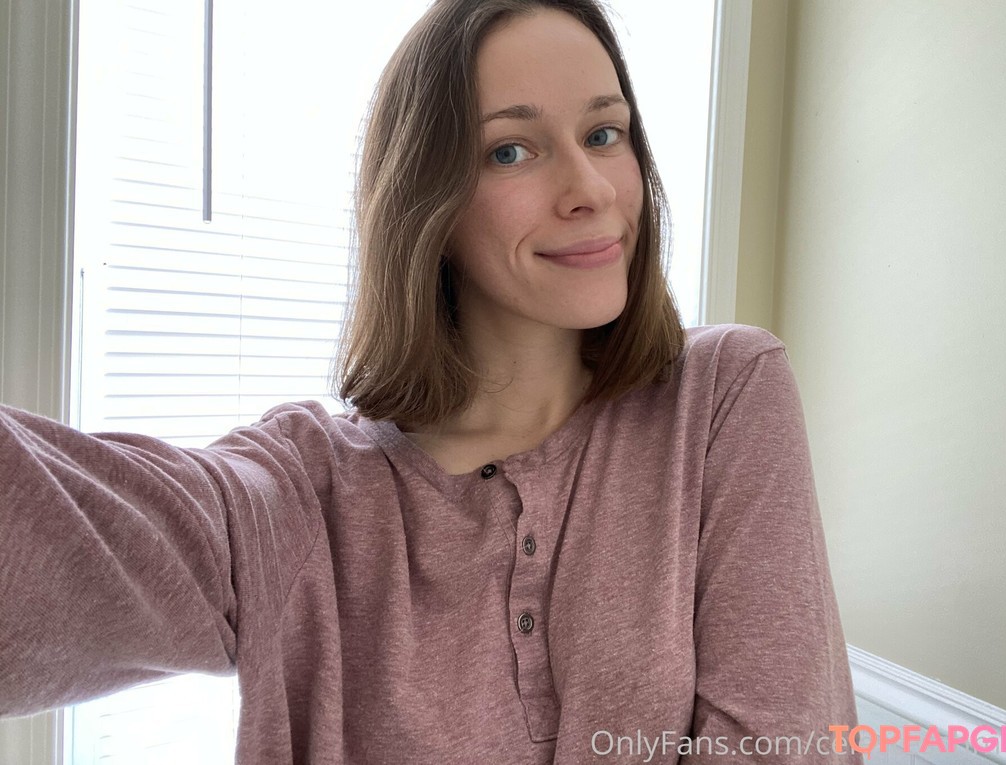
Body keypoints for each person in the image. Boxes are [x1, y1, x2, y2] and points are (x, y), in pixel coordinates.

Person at [0, 0, 863, 762]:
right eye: (512, 150)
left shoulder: (720, 396)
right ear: (429, 204)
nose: (591, 189)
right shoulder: (303, 491)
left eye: (605, 133)